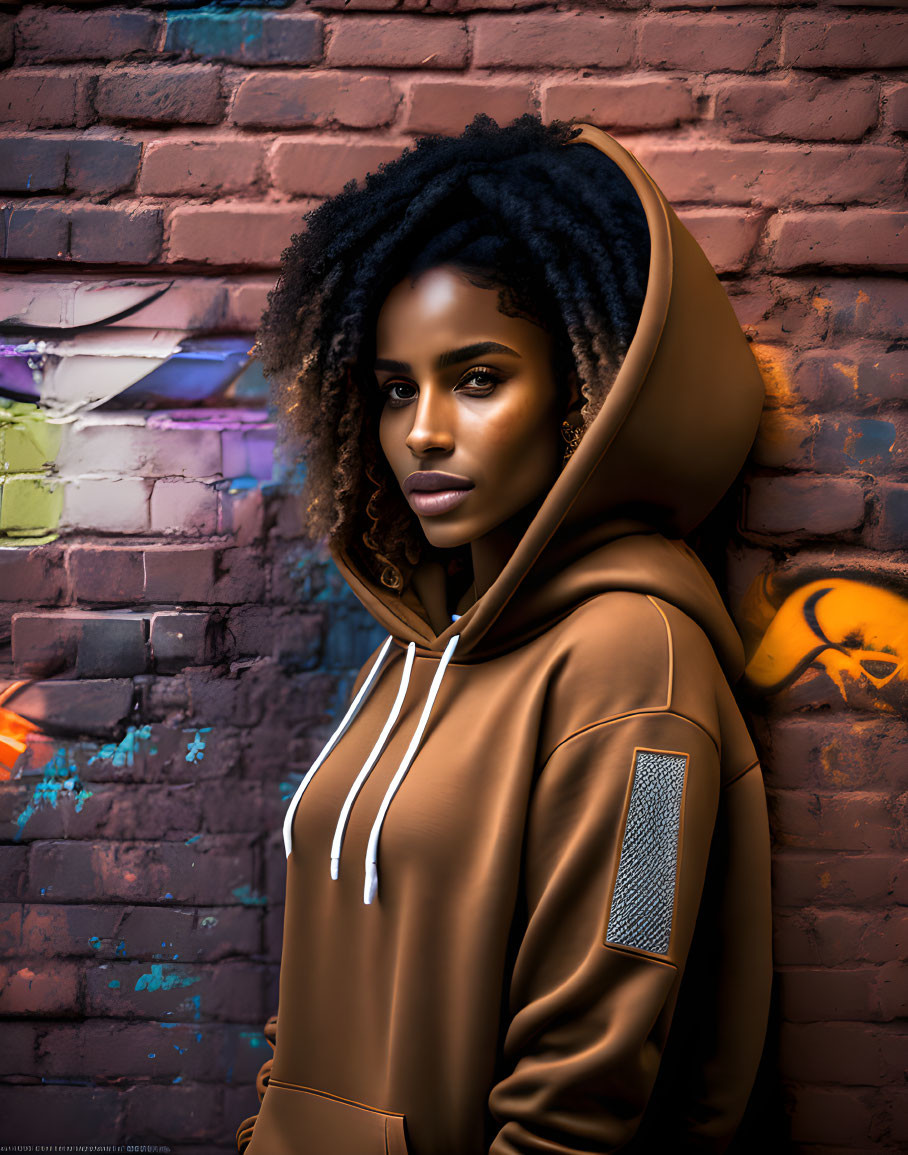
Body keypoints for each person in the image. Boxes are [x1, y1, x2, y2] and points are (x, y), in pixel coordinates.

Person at [235, 114, 773, 1154]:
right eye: (397, 391)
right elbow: (328, 982)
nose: (422, 431)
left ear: (582, 398)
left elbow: (598, 1060)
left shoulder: (641, 671)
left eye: (476, 379)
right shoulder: (414, 654)